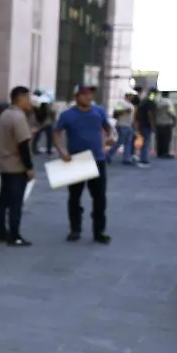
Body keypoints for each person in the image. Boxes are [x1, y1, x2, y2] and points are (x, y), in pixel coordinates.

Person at [53, 85, 116, 243]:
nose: (88, 97)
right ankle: (75, 229)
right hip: (77, 160)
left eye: (90, 94)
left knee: (99, 198)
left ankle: (99, 231)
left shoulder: (99, 112)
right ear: (76, 97)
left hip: (97, 159)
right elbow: (56, 132)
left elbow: (108, 128)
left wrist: (110, 137)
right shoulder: (67, 115)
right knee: (74, 197)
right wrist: (62, 151)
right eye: (84, 94)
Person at [0, 86, 35, 246]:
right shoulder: (18, 117)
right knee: (16, 203)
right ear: (21, 98)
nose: (29, 101)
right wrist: (29, 167)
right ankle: (14, 235)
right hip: (16, 166)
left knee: (3, 201)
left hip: (4, 165)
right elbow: (23, 144)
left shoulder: (4, 115)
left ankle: (1, 233)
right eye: (28, 98)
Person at [109, 91, 136, 164]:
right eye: (131, 95)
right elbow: (115, 113)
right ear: (127, 95)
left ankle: (126, 159)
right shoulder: (121, 103)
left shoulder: (131, 104)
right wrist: (125, 111)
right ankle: (108, 155)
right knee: (120, 142)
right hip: (122, 124)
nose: (132, 97)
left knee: (128, 143)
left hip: (128, 125)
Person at [135, 88, 157, 166]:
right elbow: (149, 114)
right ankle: (143, 159)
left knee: (144, 142)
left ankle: (142, 158)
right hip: (147, 125)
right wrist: (152, 125)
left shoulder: (144, 101)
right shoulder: (150, 102)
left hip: (142, 124)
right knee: (146, 142)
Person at [155, 91, 177, 158]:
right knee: (166, 139)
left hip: (158, 123)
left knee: (159, 138)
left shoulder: (158, 102)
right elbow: (172, 112)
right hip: (167, 123)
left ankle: (159, 152)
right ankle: (165, 152)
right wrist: (175, 120)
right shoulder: (169, 102)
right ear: (168, 95)